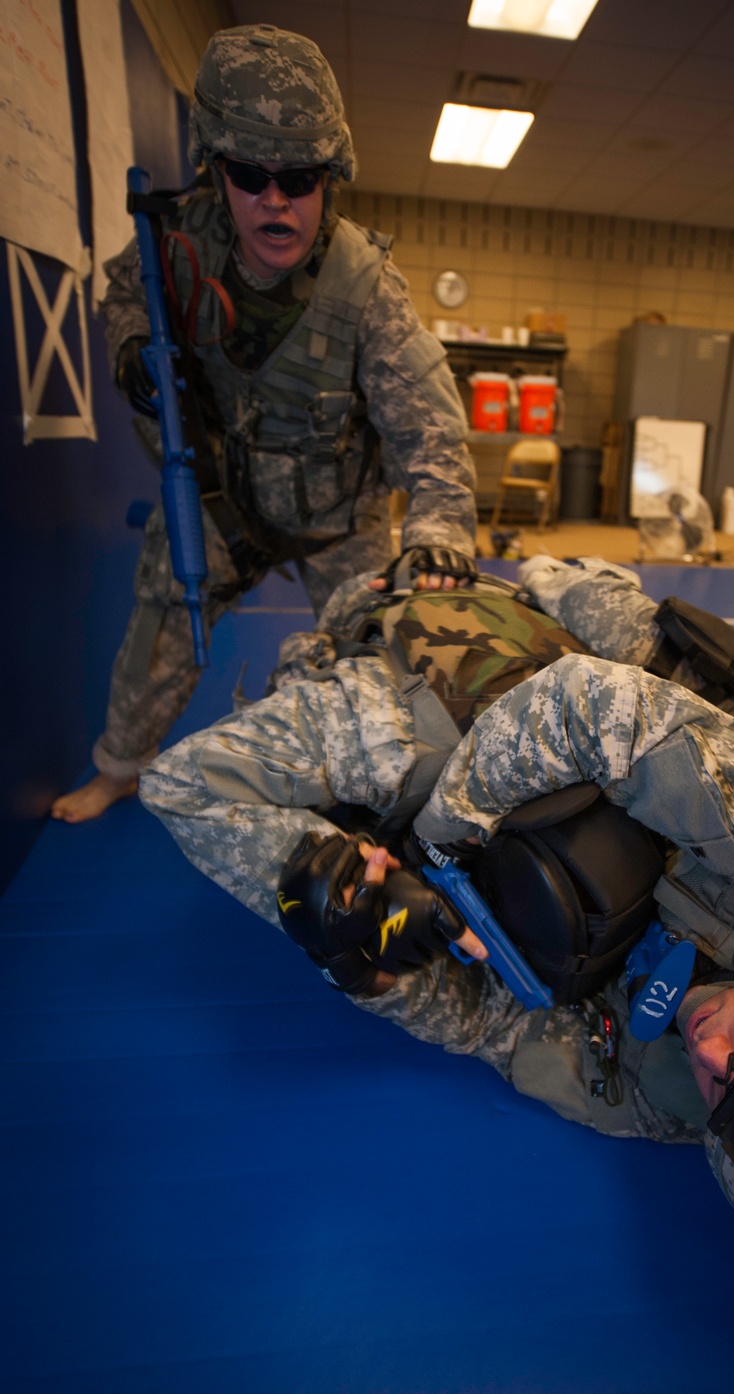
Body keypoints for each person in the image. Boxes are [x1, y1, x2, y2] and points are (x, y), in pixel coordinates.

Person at [139, 557, 734, 1287]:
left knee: (215, 807)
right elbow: (593, 708)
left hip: (541, 815)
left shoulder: (677, 1107)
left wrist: (379, 963)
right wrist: (442, 851)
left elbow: (495, 1027)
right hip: (586, 719)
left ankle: (335, 663)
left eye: (722, 1100)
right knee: (636, 632)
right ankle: (518, 573)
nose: (706, 1055)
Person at [53, 23, 477, 825]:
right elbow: (121, 297)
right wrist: (133, 349)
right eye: (251, 175)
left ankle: (384, 803)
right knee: (159, 617)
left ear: (333, 177)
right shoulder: (177, 244)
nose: (276, 199)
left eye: (301, 176)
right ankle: (119, 765)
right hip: (220, 498)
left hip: (338, 520)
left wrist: (440, 532)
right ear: (214, 171)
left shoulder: (366, 288)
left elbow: (433, 434)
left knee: (383, 661)